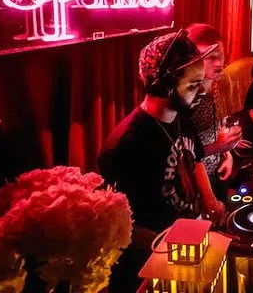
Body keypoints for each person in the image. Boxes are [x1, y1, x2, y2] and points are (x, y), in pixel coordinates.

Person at [97, 30, 227, 293]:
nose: (202, 90)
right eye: (192, 85)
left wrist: (209, 200)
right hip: (161, 258)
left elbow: (194, 158)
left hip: (192, 239)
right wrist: (165, 257)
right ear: (164, 87)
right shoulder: (126, 144)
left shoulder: (181, 114)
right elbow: (122, 228)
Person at [186, 23, 244, 200]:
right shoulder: (185, 98)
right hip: (195, 187)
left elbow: (215, 128)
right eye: (211, 57)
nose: (219, 63)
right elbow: (183, 155)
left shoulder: (213, 85)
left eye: (221, 55)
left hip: (215, 174)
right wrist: (217, 147)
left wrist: (226, 154)